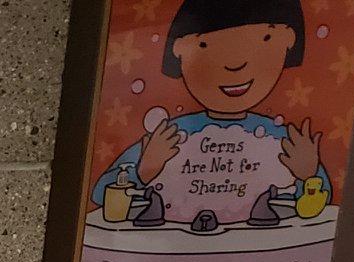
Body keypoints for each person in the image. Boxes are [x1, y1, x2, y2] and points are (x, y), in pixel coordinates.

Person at [93, 0, 327, 221]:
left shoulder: (281, 140)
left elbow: (322, 203)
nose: (235, 64)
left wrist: (308, 175)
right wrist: (142, 172)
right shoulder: (170, 137)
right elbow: (98, 195)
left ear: (288, 39)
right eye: (204, 45)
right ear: (179, 51)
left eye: (264, 39)